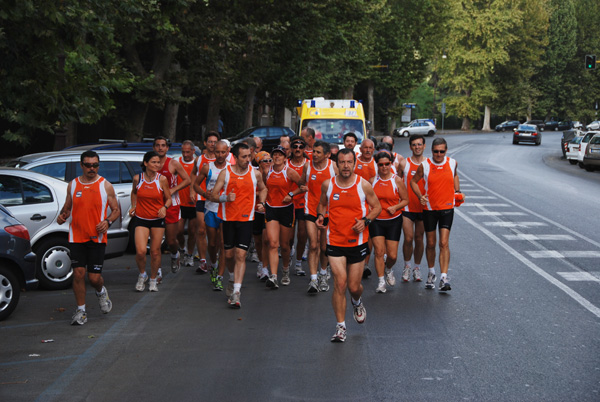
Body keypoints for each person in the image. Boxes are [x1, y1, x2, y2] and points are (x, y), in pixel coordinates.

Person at [316, 148, 381, 342]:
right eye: (342, 162)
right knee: (340, 283)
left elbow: (377, 207)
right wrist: (321, 216)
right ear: (337, 164)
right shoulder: (328, 185)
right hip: (335, 240)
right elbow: (321, 204)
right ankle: (341, 327)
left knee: (353, 286)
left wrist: (366, 221)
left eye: (349, 162)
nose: (346, 166)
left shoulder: (364, 185)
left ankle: (357, 300)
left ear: (354, 163)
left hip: (358, 242)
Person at [57, 151, 120, 325]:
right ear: (82, 165)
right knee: (78, 274)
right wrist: (62, 216)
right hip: (76, 236)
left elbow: (116, 210)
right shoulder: (73, 185)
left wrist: (107, 221)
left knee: (93, 278)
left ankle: (101, 292)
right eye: (88, 165)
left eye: (95, 165)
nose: (92, 168)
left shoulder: (105, 185)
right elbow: (67, 208)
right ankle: (81, 311)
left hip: (96, 238)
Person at [208, 143, 268, 308]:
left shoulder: (255, 174)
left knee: (241, 255)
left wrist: (262, 202)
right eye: (244, 156)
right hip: (228, 219)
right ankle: (232, 277)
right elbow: (212, 195)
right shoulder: (225, 173)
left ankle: (236, 292)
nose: (247, 159)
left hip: (246, 219)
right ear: (234, 157)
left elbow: (263, 189)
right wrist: (225, 198)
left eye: (249, 156)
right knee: (228, 256)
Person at [410, 137, 462, 291]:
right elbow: (413, 181)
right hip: (430, 209)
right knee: (431, 243)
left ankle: (444, 277)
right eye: (435, 151)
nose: (439, 154)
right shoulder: (424, 165)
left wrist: (458, 192)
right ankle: (431, 272)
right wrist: (420, 196)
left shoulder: (452, 163)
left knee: (443, 243)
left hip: (447, 208)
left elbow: (455, 176)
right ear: (431, 151)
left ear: (446, 151)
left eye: (442, 151)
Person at [130, 151, 172, 292]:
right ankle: (143, 275)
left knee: (155, 252)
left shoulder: (162, 180)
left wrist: (164, 207)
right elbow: (134, 192)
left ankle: (153, 279)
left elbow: (169, 198)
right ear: (146, 163)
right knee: (141, 252)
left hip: (157, 219)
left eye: (158, 162)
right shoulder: (138, 178)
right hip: (141, 219)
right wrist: (134, 206)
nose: (157, 165)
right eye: (153, 162)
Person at [263, 145, 305, 288]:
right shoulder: (267, 171)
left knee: (285, 246)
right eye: (275, 154)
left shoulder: (290, 172)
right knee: (273, 243)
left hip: (286, 209)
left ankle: (285, 270)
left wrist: (291, 194)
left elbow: (303, 186)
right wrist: (263, 201)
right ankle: (273, 276)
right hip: (271, 209)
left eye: (280, 155)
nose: (277, 157)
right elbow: (264, 187)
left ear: (285, 158)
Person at [299, 140, 338, 293]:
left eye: (318, 152)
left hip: (329, 212)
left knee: (324, 247)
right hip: (311, 210)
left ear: (327, 154)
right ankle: (314, 279)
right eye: (313, 151)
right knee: (313, 245)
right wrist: (302, 186)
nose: (314, 154)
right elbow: (302, 182)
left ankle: (323, 273)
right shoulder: (307, 166)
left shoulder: (333, 167)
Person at [369, 151, 409, 293]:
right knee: (379, 252)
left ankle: (388, 269)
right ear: (377, 165)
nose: (384, 167)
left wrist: (396, 207)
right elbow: (366, 199)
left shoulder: (396, 180)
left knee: (392, 256)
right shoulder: (372, 181)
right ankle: (380, 282)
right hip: (377, 221)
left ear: (391, 164)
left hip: (393, 221)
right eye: (381, 165)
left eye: (387, 164)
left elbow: (405, 200)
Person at [194, 140, 230, 291]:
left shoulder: (231, 168)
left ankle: (220, 277)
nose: (220, 155)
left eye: (223, 152)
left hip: (225, 209)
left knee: (222, 243)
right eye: (218, 152)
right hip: (210, 209)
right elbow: (195, 184)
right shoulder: (208, 167)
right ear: (214, 152)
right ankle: (213, 265)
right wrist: (204, 193)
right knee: (213, 243)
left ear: (228, 152)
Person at [153, 137, 191, 275]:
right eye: (157, 145)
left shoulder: (173, 163)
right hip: (154, 205)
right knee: (156, 243)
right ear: (154, 148)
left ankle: (175, 255)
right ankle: (157, 273)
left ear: (167, 148)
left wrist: (174, 189)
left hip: (172, 205)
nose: (160, 148)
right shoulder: (150, 163)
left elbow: (187, 180)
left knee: (171, 240)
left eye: (163, 145)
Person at [399, 134, 426, 282]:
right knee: (408, 238)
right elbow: (397, 181)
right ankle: (407, 266)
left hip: (423, 208)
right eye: (414, 144)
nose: (417, 147)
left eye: (419, 144)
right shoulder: (404, 163)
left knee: (419, 238)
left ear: (424, 146)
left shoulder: (428, 164)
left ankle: (417, 268)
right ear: (410, 147)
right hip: (408, 208)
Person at [191, 131, 220, 273]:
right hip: (202, 198)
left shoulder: (224, 160)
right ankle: (203, 261)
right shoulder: (199, 160)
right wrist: (193, 190)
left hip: (218, 201)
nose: (212, 144)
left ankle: (215, 257)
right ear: (205, 143)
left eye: (215, 142)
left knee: (216, 234)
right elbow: (193, 175)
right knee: (201, 230)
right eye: (210, 142)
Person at [286, 136, 309, 274]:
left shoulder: (308, 164)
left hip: (304, 203)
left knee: (302, 235)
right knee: (288, 238)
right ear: (291, 149)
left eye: (301, 147)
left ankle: (298, 262)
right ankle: (288, 258)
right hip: (288, 203)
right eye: (295, 147)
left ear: (304, 149)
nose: (298, 149)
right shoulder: (286, 164)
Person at [177, 140, 198, 268]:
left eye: (188, 152)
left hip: (194, 203)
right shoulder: (177, 162)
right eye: (183, 152)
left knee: (192, 232)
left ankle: (190, 255)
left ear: (193, 151)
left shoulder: (198, 163)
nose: (185, 154)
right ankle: (182, 248)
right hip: (180, 202)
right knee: (178, 231)